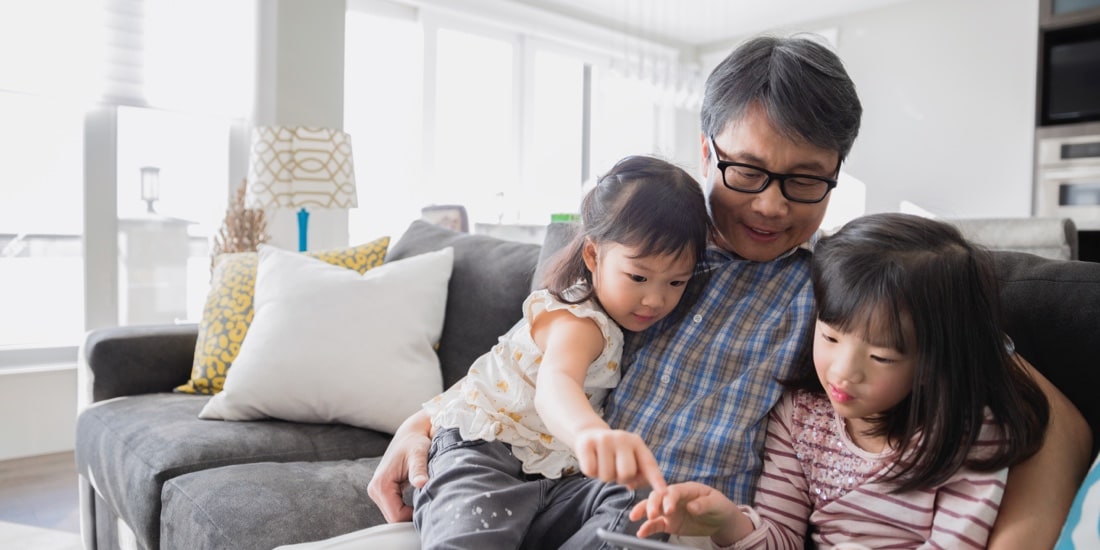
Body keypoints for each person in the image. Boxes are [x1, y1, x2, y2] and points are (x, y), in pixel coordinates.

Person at [369, 34, 1091, 549]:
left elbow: (1056, 423)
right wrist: (432, 418)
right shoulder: (637, 250)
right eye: (746, 171)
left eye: (806, 179)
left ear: (840, 170)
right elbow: (535, 352)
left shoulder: (841, 289)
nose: (772, 207)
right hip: (558, 491)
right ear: (706, 148)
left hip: (691, 529)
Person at [629, 212, 1050, 549]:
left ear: (935, 360)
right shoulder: (801, 417)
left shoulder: (967, 432)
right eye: (829, 336)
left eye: (881, 356)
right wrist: (726, 522)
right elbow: (782, 538)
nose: (842, 371)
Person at [412, 155, 712, 548]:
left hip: (552, 481)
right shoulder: (578, 320)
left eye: (676, 282)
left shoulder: (622, 322)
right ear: (592, 255)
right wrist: (589, 432)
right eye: (638, 276)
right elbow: (556, 383)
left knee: (639, 508)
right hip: (484, 456)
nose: (655, 299)